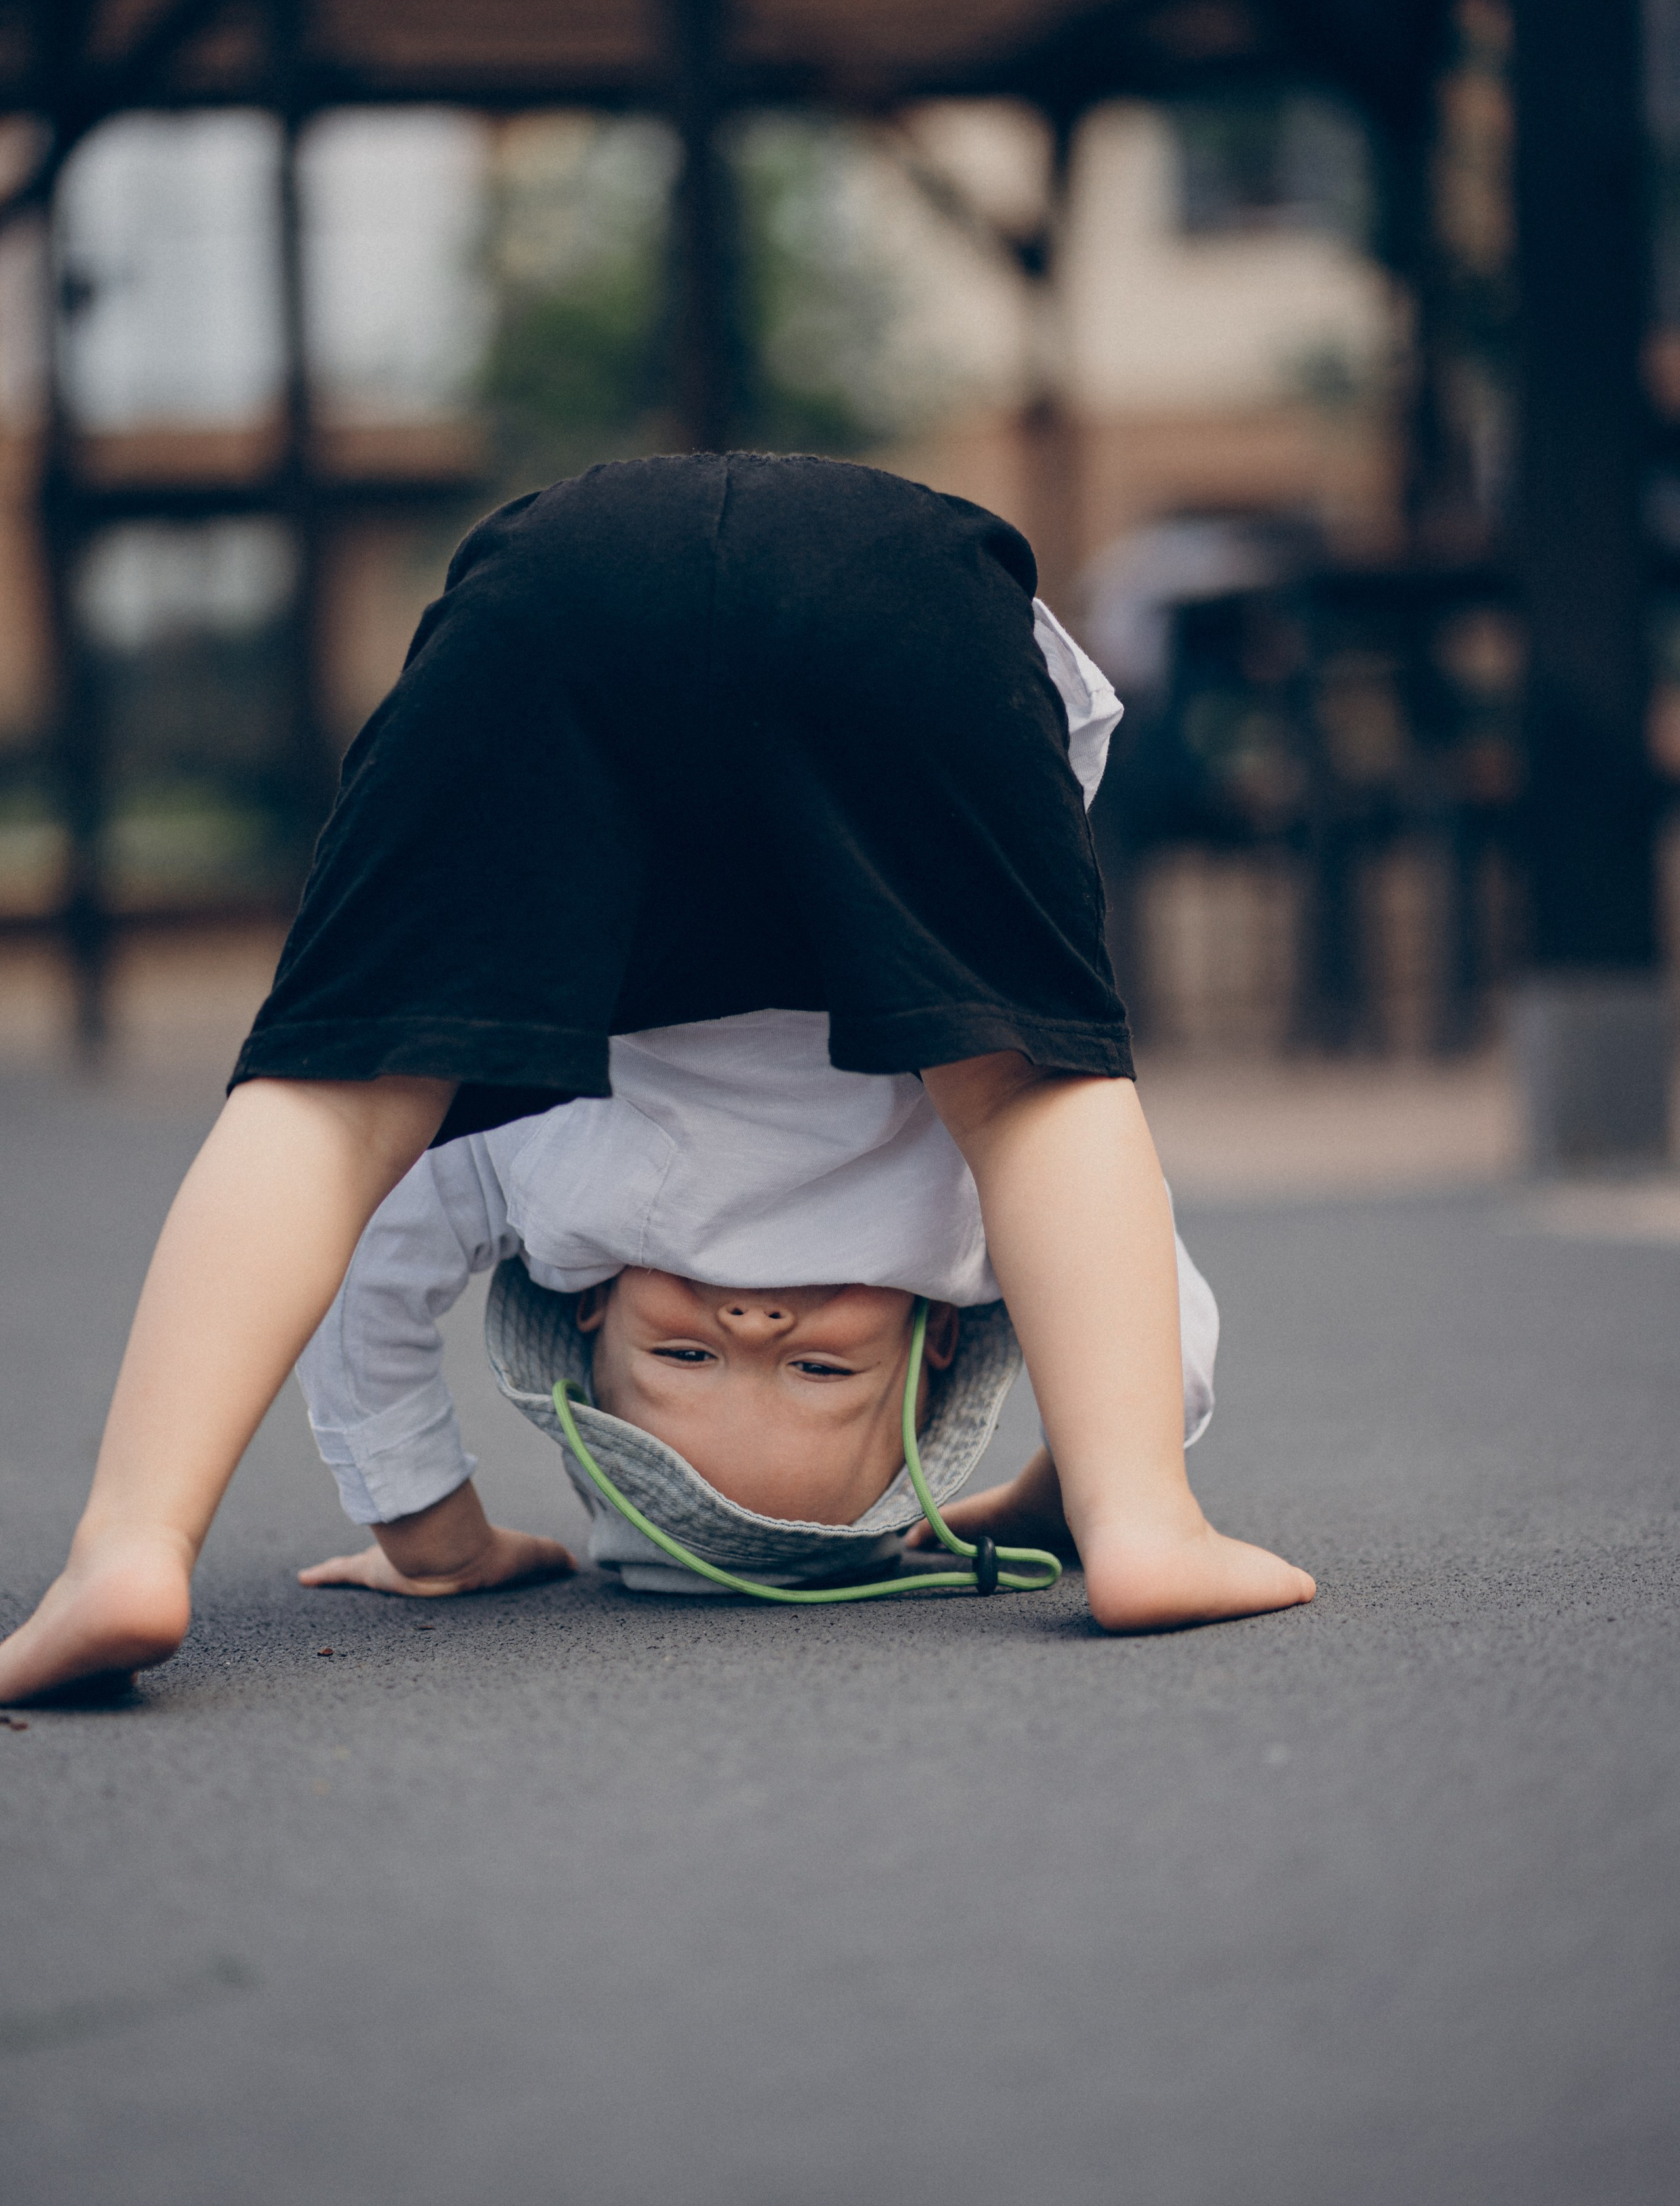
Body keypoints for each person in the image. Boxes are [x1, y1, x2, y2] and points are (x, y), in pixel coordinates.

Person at [0, 454, 1313, 1703]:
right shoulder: (953, 1248)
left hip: (617, 604)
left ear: (583, 1322)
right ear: (939, 1354)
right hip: (784, 610)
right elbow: (1157, 1324)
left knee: (337, 1102)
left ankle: (130, 1545)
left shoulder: (571, 1181)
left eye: (679, 1354)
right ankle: (1137, 1524)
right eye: (820, 1380)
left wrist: (432, 1537)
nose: (751, 1334)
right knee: (333, 1108)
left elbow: (1157, 1320)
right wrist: (1066, 1505)